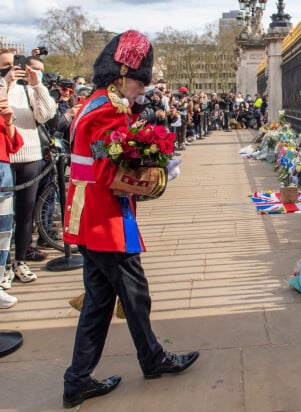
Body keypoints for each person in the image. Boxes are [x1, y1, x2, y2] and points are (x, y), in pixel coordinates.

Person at [61, 30, 199, 409]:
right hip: (105, 220)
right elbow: (109, 172)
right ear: (122, 74)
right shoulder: (107, 110)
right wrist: (154, 176)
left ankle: (77, 380)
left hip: (87, 216)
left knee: (99, 302)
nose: (142, 91)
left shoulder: (94, 103)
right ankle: (152, 358)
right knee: (135, 294)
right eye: (140, 82)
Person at [3, 51, 57, 278]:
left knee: (25, 214)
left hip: (30, 155)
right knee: (5, 215)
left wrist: (38, 86)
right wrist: (4, 84)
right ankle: (3, 264)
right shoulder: (4, 86)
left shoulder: (29, 89)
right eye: (5, 65)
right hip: (4, 157)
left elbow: (46, 114)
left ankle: (20, 259)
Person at [0, 59, 24, 307]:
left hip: (4, 166)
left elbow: (15, 144)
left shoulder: (4, 105)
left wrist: (8, 120)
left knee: (4, 229)